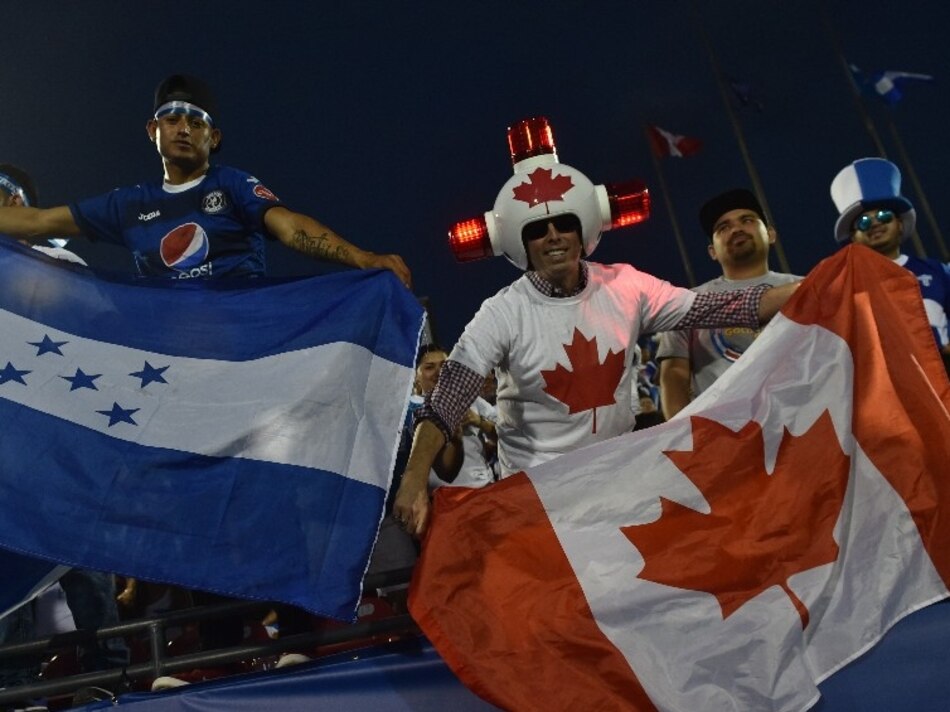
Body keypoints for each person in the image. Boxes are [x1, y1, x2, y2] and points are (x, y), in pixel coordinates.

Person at [393, 130, 799, 537]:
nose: (554, 236)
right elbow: (447, 397)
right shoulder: (501, 313)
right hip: (538, 499)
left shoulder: (627, 287)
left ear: (584, 230)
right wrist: (414, 480)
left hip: (619, 483)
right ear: (520, 243)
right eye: (538, 229)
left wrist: (819, 284)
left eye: (565, 224)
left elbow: (724, 306)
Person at [0, 75, 410, 288]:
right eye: (172, 119)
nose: (183, 129)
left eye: (196, 123)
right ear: (153, 130)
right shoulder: (129, 204)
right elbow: (39, 222)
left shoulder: (232, 185)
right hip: (168, 355)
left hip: (241, 342)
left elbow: (289, 227)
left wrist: (363, 258)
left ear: (213, 138)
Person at [655, 189, 800, 420]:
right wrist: (682, 433)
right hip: (726, 431)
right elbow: (674, 375)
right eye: (723, 228)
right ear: (712, 251)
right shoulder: (687, 304)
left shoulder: (810, 288)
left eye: (747, 220)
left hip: (802, 422)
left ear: (771, 234)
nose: (736, 229)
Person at [831, 158, 949, 372]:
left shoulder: (937, 271)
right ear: (853, 237)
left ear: (900, 224)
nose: (875, 223)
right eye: (864, 222)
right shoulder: (846, 286)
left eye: (884, 215)